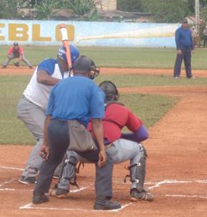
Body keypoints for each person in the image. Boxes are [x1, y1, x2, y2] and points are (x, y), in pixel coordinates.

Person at [32, 56, 121, 210]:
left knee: (52, 158)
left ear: (73, 71)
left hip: (54, 127)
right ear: (88, 72)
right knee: (105, 161)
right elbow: (97, 122)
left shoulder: (59, 85)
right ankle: (102, 201)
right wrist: (101, 149)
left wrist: (46, 143)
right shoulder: (94, 89)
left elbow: (48, 117)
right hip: (73, 129)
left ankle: (38, 195)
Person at [50, 80, 154, 202]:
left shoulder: (87, 107)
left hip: (86, 150)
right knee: (139, 148)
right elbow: (143, 134)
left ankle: (62, 187)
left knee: (71, 148)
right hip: (110, 150)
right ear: (115, 96)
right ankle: (137, 190)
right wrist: (120, 136)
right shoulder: (122, 109)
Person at [17, 45, 80, 185]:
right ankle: (29, 173)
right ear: (61, 58)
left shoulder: (70, 73)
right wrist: (65, 83)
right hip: (30, 105)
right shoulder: (49, 64)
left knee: (61, 135)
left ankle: (58, 170)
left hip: (49, 112)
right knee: (45, 136)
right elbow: (42, 78)